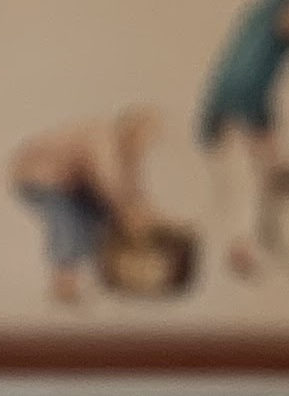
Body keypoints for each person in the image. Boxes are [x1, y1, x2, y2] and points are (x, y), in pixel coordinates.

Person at [197, 0, 289, 275]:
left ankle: (251, 245)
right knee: (248, 182)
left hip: (244, 113)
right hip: (231, 116)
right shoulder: (258, 43)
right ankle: (242, 249)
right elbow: (241, 86)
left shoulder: (276, 40)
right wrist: (262, 134)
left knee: (264, 177)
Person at [10, 108, 190, 305]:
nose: (144, 146)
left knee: (103, 219)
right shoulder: (103, 138)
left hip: (72, 183)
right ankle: (63, 284)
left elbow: (133, 189)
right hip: (41, 180)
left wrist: (150, 215)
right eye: (144, 138)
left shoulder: (127, 152)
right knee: (69, 220)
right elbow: (109, 185)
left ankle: (107, 274)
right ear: (131, 129)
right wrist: (132, 215)